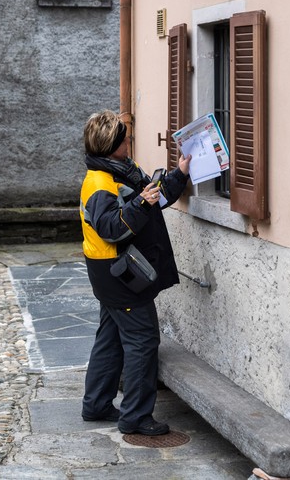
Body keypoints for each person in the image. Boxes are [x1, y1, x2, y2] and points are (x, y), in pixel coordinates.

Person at [79, 109, 191, 436]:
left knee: (110, 339)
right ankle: (136, 417)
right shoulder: (99, 182)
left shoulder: (123, 170)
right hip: (121, 275)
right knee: (142, 340)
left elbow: (152, 196)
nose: (130, 141)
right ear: (113, 144)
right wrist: (141, 204)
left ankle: (97, 404)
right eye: (125, 138)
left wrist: (180, 172)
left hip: (114, 274)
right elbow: (111, 229)